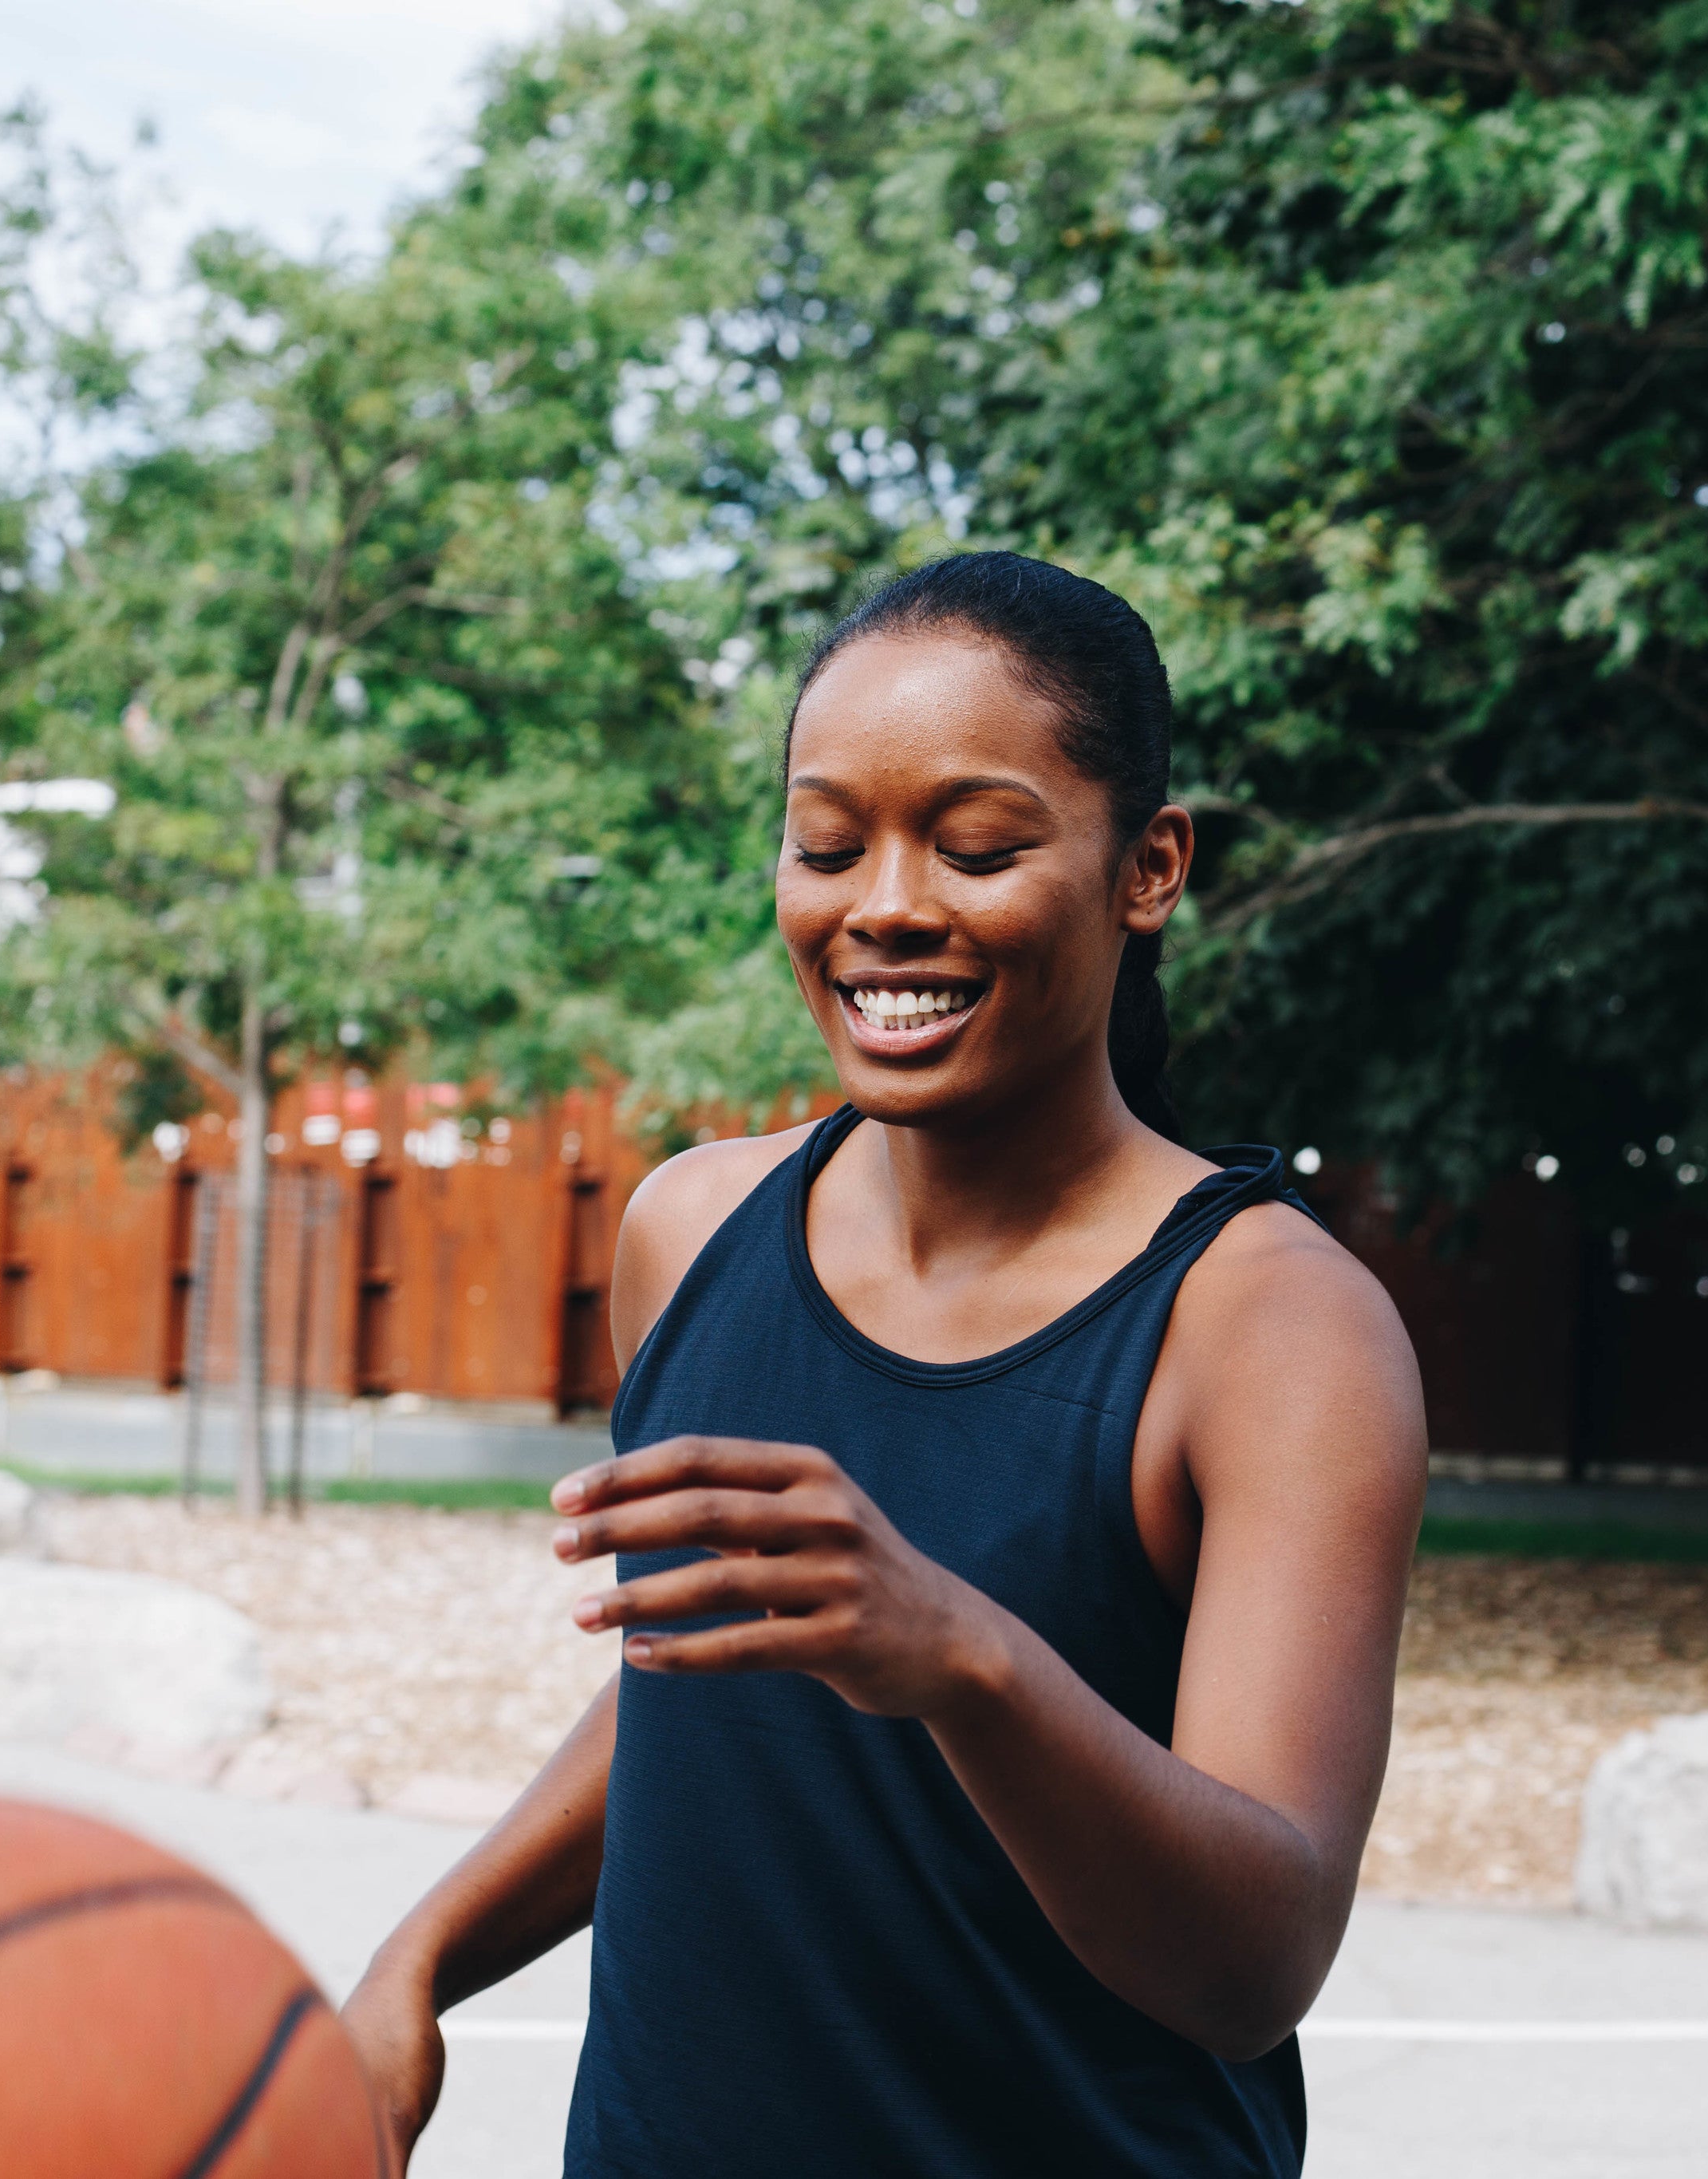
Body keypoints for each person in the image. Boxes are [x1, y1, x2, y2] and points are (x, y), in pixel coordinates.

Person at [340, 551, 1427, 2177]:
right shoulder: (690, 1228)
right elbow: (689, 1694)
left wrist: (958, 1658)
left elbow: (1249, 1964)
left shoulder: (1270, 1323)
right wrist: (423, 1957)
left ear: (1148, 868)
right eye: (827, 843)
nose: (885, 904)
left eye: (976, 846)